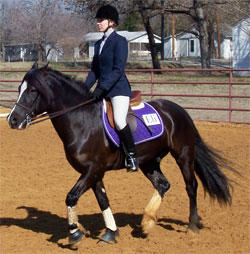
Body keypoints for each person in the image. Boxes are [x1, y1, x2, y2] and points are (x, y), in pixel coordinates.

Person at [85, 5, 138, 172]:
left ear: (111, 22)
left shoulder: (119, 41)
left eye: (101, 20)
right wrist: (83, 89)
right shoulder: (99, 43)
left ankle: (131, 156)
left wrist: (101, 88)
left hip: (118, 89)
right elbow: (95, 70)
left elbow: (118, 70)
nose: (98, 23)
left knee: (119, 120)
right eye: (97, 20)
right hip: (103, 89)